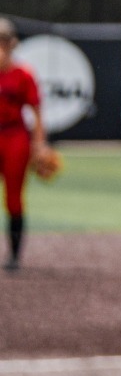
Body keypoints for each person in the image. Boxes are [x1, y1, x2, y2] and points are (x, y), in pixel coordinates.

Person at [0, 18, 50, 272]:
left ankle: (14, 256)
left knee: (13, 198)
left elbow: (37, 112)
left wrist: (39, 145)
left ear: (10, 45)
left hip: (14, 137)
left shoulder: (23, 74)